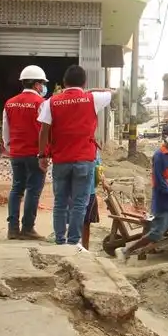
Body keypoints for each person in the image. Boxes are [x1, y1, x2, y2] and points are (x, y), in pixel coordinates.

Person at [37, 65, 113, 249]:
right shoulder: (92, 98)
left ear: (64, 82)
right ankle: (73, 242)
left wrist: (42, 155)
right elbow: (112, 92)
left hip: (61, 159)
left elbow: (44, 132)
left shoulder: (51, 102)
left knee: (60, 202)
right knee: (80, 203)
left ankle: (60, 240)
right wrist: (88, 91)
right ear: (84, 82)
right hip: (85, 160)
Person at [116, 123, 168, 263]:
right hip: (163, 203)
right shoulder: (159, 156)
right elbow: (160, 184)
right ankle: (126, 250)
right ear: (164, 136)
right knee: (156, 233)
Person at [1, 65, 49, 240]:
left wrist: (9, 146)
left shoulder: (10, 103)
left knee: (16, 189)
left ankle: (12, 229)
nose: (43, 87)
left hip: (17, 153)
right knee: (33, 190)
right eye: (42, 84)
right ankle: (27, 228)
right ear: (37, 85)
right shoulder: (41, 104)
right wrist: (45, 153)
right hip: (36, 154)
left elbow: (6, 130)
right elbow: (45, 130)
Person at [80, 148, 103, 250]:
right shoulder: (93, 148)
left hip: (85, 191)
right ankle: (83, 247)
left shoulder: (94, 148)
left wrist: (104, 182)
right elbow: (99, 169)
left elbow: (99, 169)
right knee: (85, 222)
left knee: (84, 222)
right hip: (88, 191)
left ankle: (82, 246)